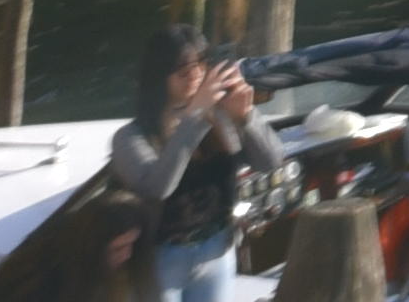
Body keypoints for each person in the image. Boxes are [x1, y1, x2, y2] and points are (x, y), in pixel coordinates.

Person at [106, 28, 285, 302]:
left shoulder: (221, 117)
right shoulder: (130, 137)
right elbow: (157, 188)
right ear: (158, 75)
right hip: (161, 257)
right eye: (182, 69)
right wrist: (194, 116)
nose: (194, 75)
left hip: (216, 249)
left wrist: (246, 117)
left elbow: (272, 161)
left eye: (200, 64)